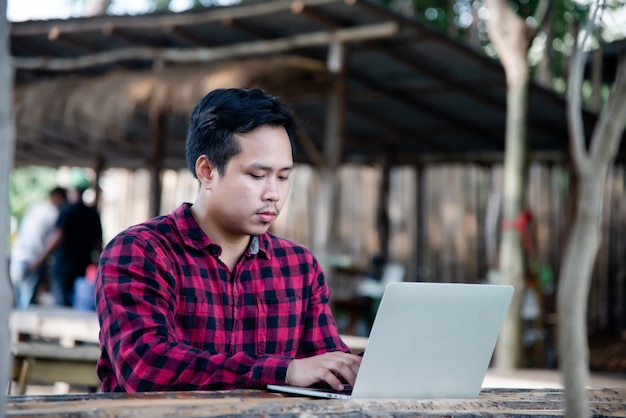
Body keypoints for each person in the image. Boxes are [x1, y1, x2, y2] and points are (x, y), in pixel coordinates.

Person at [95, 88, 361, 392]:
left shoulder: (299, 266)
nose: (273, 193)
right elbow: (146, 366)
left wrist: (355, 369)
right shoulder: (140, 252)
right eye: (257, 175)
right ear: (207, 171)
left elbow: (326, 368)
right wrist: (282, 371)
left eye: (283, 177)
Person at [32, 182, 103, 307]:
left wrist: (39, 260)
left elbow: (57, 236)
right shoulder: (93, 213)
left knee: (61, 307)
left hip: (62, 267)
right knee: (78, 304)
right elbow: (98, 243)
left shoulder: (67, 210)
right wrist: (100, 265)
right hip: (82, 266)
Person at [10, 186, 68, 308]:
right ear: (58, 198)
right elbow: (55, 239)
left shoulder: (34, 208)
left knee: (16, 304)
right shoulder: (55, 213)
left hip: (17, 258)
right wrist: (38, 261)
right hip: (31, 260)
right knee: (27, 307)